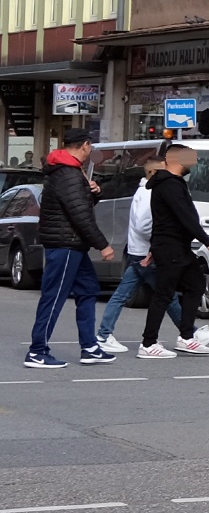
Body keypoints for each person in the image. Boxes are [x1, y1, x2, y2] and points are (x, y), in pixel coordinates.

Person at [98, 157, 209, 353]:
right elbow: (145, 225)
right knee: (165, 295)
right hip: (149, 250)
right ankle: (181, 335)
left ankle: (104, 334)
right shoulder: (151, 192)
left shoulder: (146, 190)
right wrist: (155, 246)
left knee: (127, 294)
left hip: (143, 249)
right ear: (154, 172)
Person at [26, 129, 117, 369]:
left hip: (71, 243)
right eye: (90, 146)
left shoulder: (65, 170)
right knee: (54, 296)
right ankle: (37, 351)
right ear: (85, 145)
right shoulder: (69, 173)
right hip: (65, 243)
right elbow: (79, 215)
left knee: (88, 290)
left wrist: (93, 193)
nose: (90, 151)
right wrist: (103, 244)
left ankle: (90, 347)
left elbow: (76, 205)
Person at [139, 143, 209, 358]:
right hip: (171, 247)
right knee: (163, 294)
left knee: (196, 284)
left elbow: (164, 219)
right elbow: (184, 216)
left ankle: (186, 337)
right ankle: (148, 343)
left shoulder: (173, 183)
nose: (193, 162)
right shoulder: (169, 185)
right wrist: (208, 241)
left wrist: (153, 249)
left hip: (175, 246)